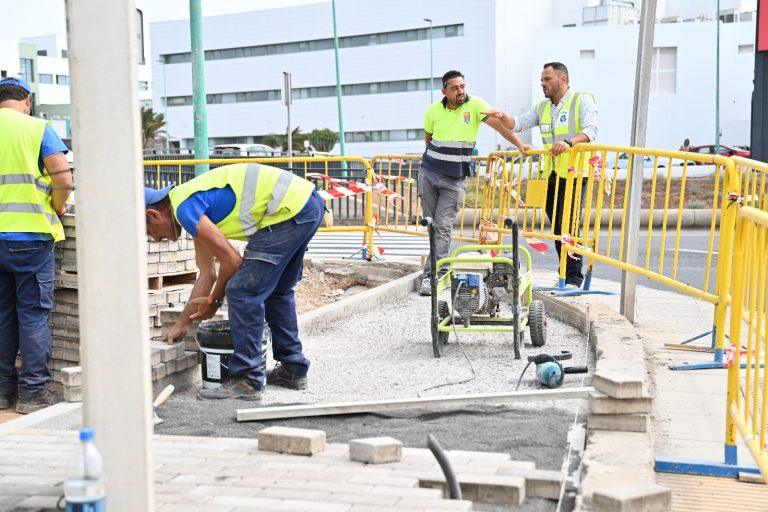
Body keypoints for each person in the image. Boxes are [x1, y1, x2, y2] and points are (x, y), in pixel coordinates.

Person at [144, 162, 324, 401]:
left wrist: (215, 300)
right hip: (306, 205)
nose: (156, 239)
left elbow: (232, 261)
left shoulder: (185, 209)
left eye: (150, 232)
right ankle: (293, 369)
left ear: (153, 214)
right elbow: (207, 274)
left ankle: (247, 379)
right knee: (277, 290)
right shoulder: (190, 206)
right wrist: (181, 324)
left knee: (242, 290)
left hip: (288, 210)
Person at [485, 62, 598, 287]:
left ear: (562, 79)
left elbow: (591, 130)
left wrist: (569, 142)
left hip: (576, 174)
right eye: (541, 79)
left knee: (569, 225)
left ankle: (573, 277)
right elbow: (518, 124)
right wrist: (502, 116)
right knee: (557, 227)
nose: (542, 83)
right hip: (553, 174)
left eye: (547, 79)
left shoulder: (581, 100)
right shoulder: (543, 107)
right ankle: (564, 274)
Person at [419, 70, 528, 295]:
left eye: (463, 86)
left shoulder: (476, 105)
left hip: (454, 180)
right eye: (454, 88)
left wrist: (519, 144)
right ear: (444, 91)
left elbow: (500, 126)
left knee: (443, 226)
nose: (460, 91)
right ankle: (438, 269)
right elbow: (428, 140)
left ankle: (433, 275)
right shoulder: (432, 111)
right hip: (429, 174)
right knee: (432, 226)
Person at [0, 77, 73, 414]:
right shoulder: (37, 128)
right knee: (32, 315)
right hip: (30, 237)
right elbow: (63, 178)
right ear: (27, 100)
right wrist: (57, 207)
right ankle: (32, 394)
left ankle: (3, 392)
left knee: (3, 317)